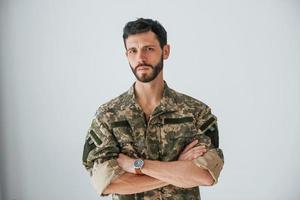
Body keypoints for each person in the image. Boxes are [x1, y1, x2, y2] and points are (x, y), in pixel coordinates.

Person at [82, 18, 224, 200]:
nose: (140, 58)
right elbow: (107, 183)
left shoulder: (195, 112)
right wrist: (177, 169)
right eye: (133, 50)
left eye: (148, 49)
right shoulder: (108, 116)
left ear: (165, 51)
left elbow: (205, 175)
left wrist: (136, 165)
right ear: (127, 55)